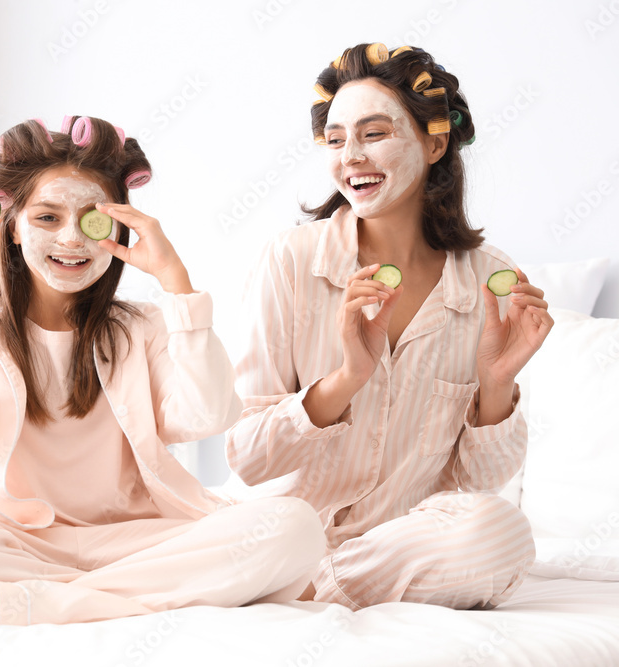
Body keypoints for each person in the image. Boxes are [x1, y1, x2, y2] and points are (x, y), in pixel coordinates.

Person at [0, 115, 325, 625]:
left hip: (138, 541)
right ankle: (93, 600)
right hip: (13, 540)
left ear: (118, 228)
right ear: (11, 228)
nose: (71, 239)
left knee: (294, 526)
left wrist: (176, 284)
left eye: (92, 219)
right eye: (47, 218)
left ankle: (25, 601)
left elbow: (208, 415)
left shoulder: (146, 325)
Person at [224, 43, 554, 611]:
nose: (350, 155)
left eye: (374, 134)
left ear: (434, 142)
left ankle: (314, 590)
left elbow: (481, 483)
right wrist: (347, 378)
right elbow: (247, 458)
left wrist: (496, 386)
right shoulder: (292, 261)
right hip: (281, 538)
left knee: (499, 530)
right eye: (335, 139)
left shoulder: (490, 278)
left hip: (402, 546)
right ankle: (295, 579)